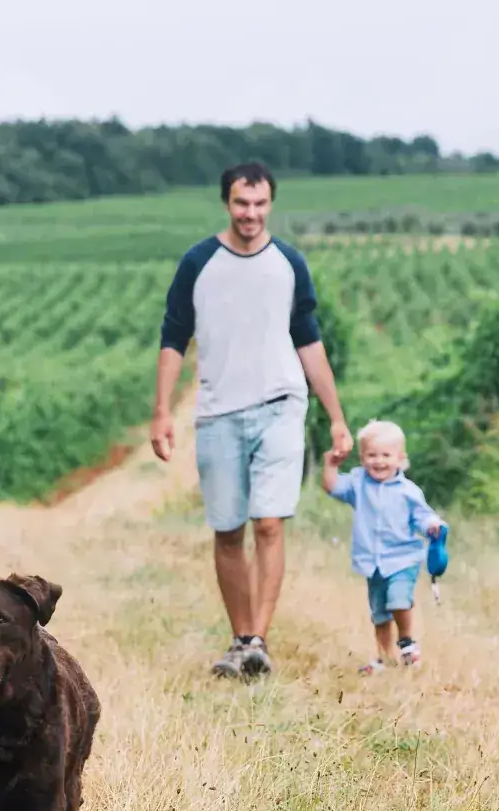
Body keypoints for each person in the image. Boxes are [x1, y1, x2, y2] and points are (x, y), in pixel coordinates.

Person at [150, 162, 352, 679]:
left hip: (281, 405)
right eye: (242, 204)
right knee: (227, 530)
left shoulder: (288, 263)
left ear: (271, 205)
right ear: (226, 203)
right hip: (219, 412)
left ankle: (258, 639)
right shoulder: (199, 263)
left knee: (269, 522)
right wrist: (161, 412)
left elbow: (309, 340)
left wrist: (336, 418)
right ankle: (241, 639)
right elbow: (174, 337)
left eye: (260, 204)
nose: (251, 214)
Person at [322, 419, 444, 674]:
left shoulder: (408, 491)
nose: (378, 461)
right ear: (362, 458)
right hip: (372, 561)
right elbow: (332, 487)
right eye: (371, 455)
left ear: (400, 458)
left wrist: (433, 525)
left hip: (403, 558)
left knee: (398, 600)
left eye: (386, 455)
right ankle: (384, 658)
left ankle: (407, 641)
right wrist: (330, 466)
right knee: (379, 612)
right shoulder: (358, 484)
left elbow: (422, 516)